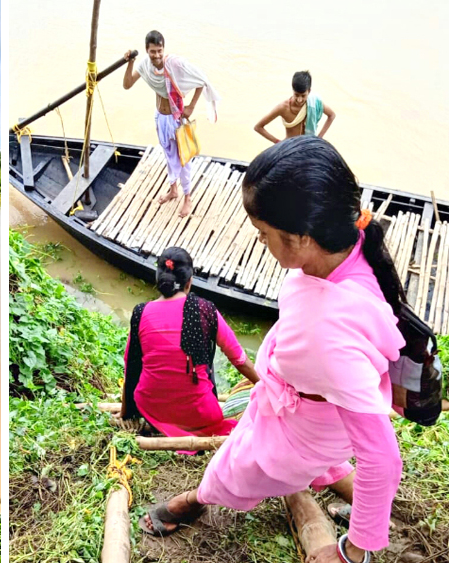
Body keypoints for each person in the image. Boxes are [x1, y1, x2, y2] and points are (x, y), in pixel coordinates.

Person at [138, 137, 404, 563]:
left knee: (235, 469)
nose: (260, 242)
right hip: (304, 407)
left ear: (301, 237)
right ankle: (360, 498)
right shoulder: (352, 251)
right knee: (318, 462)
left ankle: (196, 498)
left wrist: (355, 552)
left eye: (263, 234)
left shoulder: (329, 332)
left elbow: (383, 456)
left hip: (298, 425)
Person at [121, 247, 259, 448]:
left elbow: (131, 367)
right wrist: (266, 386)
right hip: (200, 415)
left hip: (150, 407)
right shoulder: (205, 310)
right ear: (190, 281)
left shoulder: (140, 312)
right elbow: (239, 360)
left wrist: (127, 413)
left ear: (158, 277)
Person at [123, 30, 221, 218]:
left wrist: (192, 106)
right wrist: (130, 63)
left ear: (163, 49)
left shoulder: (175, 64)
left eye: (160, 51)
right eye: (153, 51)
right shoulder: (145, 65)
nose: (157, 55)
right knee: (168, 155)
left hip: (177, 119)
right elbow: (127, 84)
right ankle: (173, 189)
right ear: (147, 50)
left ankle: (187, 197)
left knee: (184, 158)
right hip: (160, 117)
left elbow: (202, 80)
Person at [254, 71, 336, 144]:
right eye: (296, 95)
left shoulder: (314, 103)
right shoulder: (283, 107)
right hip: (290, 147)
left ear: (309, 91)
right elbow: (258, 127)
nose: (299, 100)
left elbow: (331, 115)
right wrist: (278, 142)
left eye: (303, 96)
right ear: (292, 90)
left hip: (308, 146)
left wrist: (319, 138)